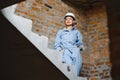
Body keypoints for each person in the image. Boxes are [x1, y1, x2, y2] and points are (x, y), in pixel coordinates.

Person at [54, 12, 85, 76]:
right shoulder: (60, 32)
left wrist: (79, 48)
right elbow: (57, 44)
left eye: (70, 19)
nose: (68, 20)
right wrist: (59, 50)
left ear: (73, 21)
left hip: (75, 52)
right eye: (66, 19)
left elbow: (80, 44)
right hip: (65, 51)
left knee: (76, 71)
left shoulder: (76, 32)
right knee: (69, 69)